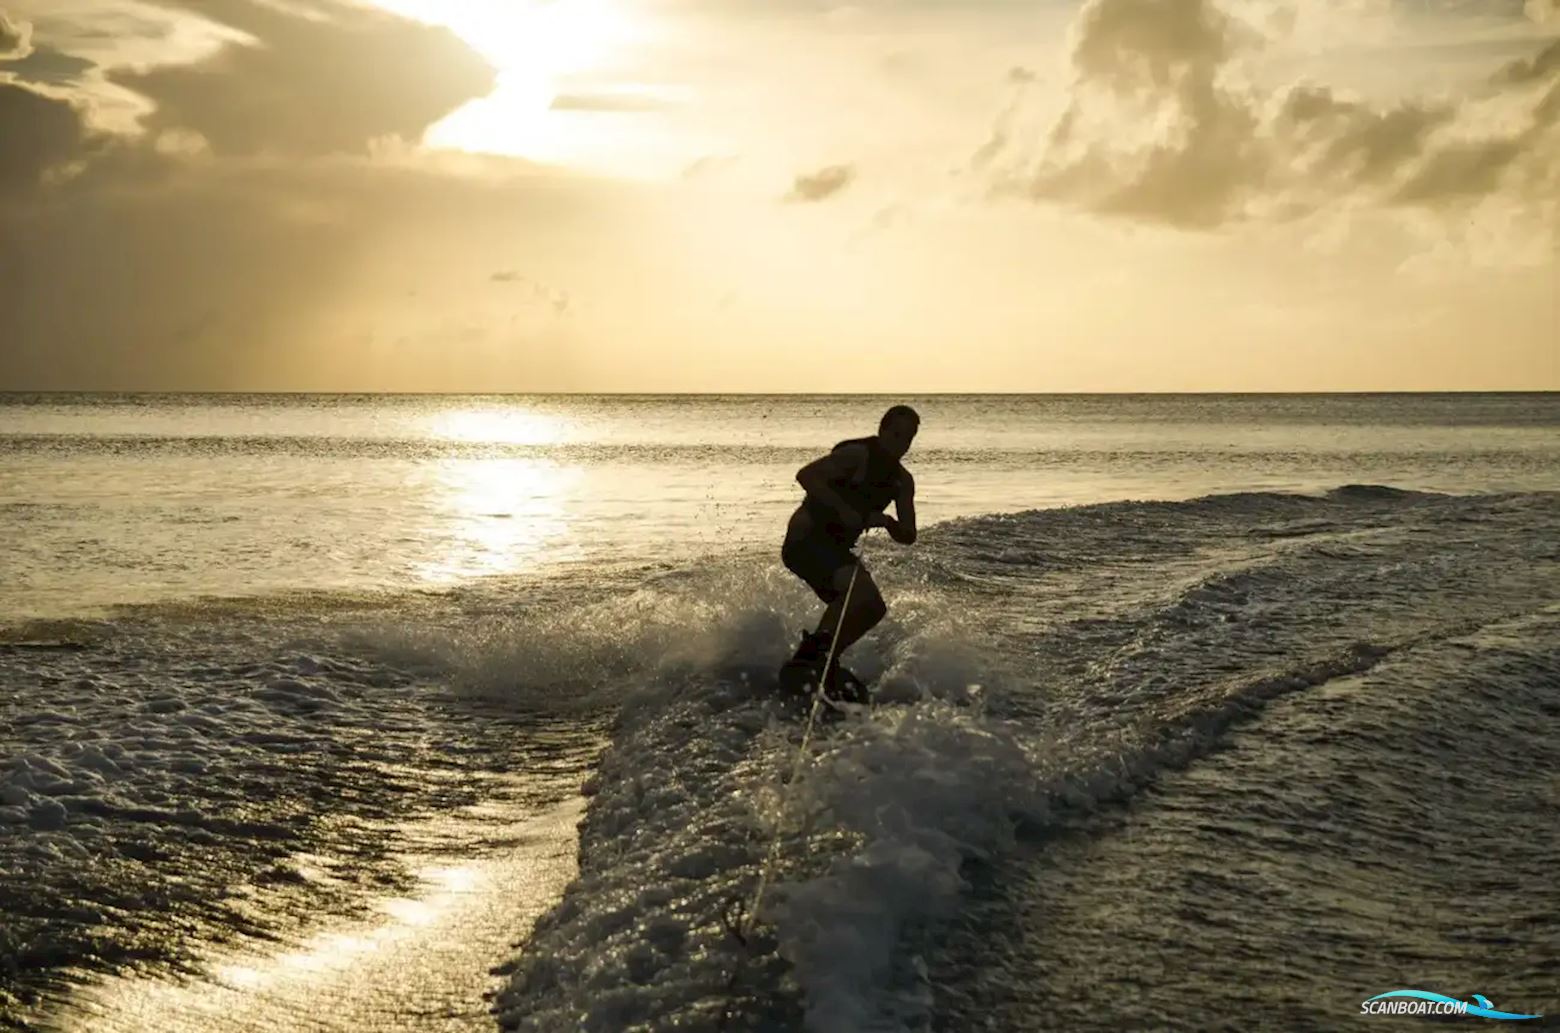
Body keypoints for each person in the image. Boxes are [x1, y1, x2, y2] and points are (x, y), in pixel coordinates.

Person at [779, 404, 918, 698]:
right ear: (881, 430)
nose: (900, 444)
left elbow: (909, 535)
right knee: (857, 594)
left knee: (872, 607)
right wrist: (845, 510)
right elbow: (806, 475)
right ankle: (810, 660)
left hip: (835, 549)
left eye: (907, 439)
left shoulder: (902, 482)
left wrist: (888, 522)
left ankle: (824, 661)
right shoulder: (857, 455)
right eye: (895, 434)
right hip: (806, 538)